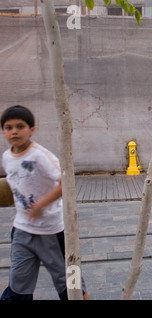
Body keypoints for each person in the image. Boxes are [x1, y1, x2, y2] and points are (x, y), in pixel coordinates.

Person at [0, 105, 88, 300]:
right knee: (17, 287)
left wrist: (40, 205)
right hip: (22, 231)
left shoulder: (40, 156)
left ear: (32, 129)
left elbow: (66, 183)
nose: (14, 131)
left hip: (52, 231)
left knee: (71, 285)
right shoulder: (6, 157)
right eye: (8, 127)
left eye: (20, 126)